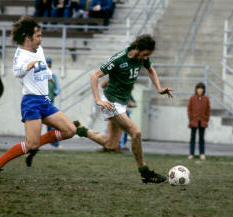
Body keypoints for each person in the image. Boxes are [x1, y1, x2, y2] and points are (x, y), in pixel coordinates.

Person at [74, 34, 173, 183]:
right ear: (138, 49)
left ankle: (80, 130)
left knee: (111, 144)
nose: (145, 58)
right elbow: (95, 76)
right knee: (136, 133)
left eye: (148, 55)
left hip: (121, 102)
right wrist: (97, 100)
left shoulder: (143, 58)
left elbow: (151, 70)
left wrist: (159, 89)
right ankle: (145, 172)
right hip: (110, 102)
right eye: (145, 54)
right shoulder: (119, 59)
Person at [0, 17, 76, 182]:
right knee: (33, 145)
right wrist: (27, 67)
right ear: (28, 38)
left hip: (44, 101)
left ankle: (31, 145)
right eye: (38, 36)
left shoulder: (39, 49)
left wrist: (48, 76)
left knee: (70, 130)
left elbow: (42, 65)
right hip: (31, 103)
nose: (40, 39)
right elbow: (17, 71)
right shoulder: (21, 54)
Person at [187, 82, 210, 160]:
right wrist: (191, 118)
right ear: (196, 90)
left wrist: (206, 119)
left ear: (203, 90)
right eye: (198, 89)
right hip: (194, 121)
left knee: (201, 138)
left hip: (202, 121)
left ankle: (202, 153)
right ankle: (191, 153)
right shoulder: (192, 98)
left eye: (201, 89)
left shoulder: (206, 99)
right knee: (192, 138)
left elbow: (208, 110)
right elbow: (189, 109)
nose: (200, 90)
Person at [46, 57, 61, 148]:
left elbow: (57, 89)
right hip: (40, 101)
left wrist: (53, 94)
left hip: (50, 102)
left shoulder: (53, 76)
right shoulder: (41, 75)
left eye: (49, 63)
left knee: (51, 122)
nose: (47, 65)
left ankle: (53, 141)